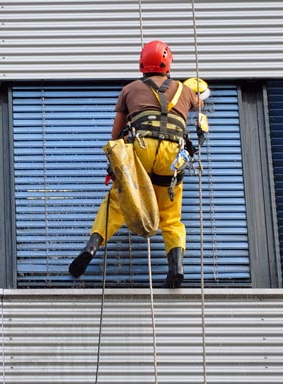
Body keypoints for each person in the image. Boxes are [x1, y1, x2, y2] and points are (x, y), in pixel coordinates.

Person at [68, 40, 208, 288]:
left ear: (142, 65)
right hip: (172, 156)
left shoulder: (129, 89)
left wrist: (114, 164)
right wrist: (197, 90)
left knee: (116, 204)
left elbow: (116, 133)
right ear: (168, 64)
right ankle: (176, 268)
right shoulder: (183, 92)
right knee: (171, 217)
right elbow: (201, 102)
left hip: (140, 150)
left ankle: (91, 248)